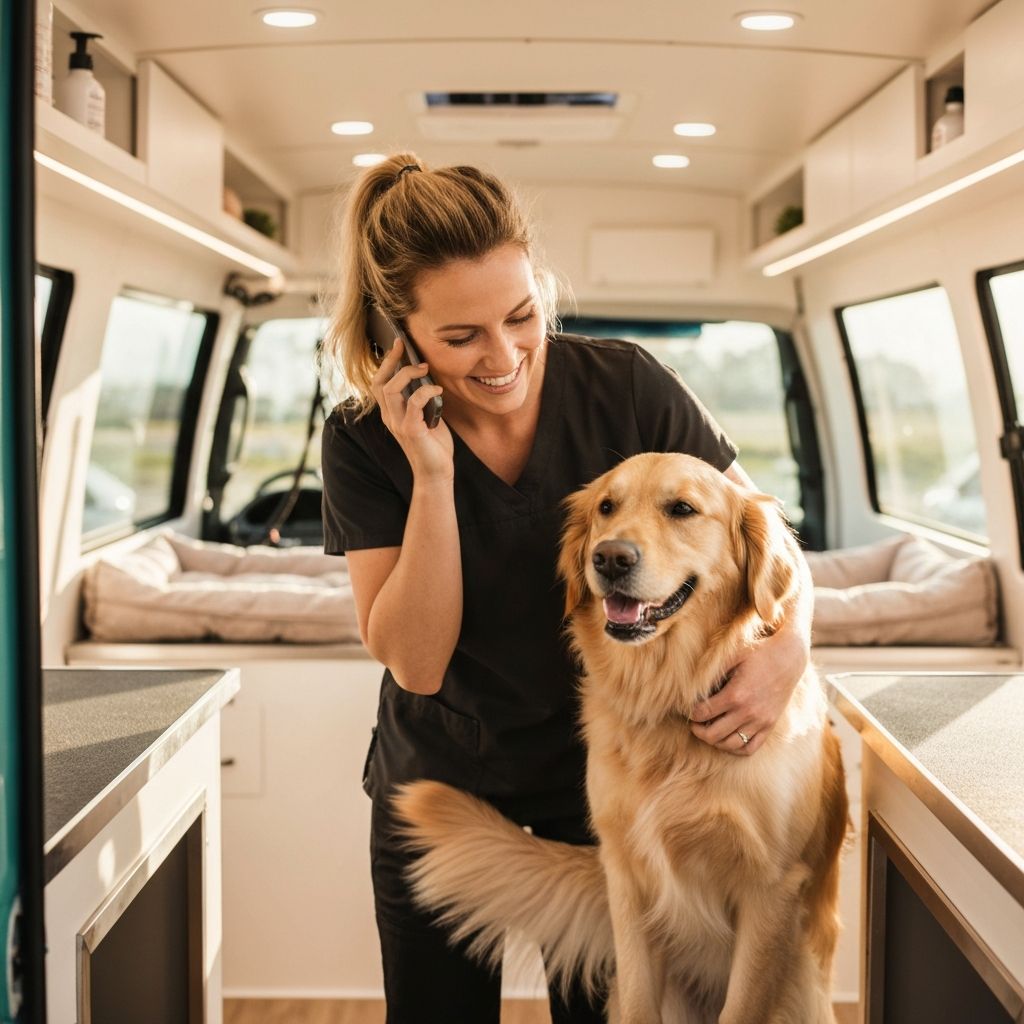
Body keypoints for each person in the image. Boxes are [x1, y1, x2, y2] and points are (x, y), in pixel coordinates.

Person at [317, 153, 813, 1023]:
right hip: (442, 768)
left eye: (521, 316)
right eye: (461, 337)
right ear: (400, 337)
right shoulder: (363, 442)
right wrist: (432, 475)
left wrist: (789, 652)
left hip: (606, 773)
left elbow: (764, 535)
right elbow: (417, 663)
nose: (505, 357)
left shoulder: (627, 386)